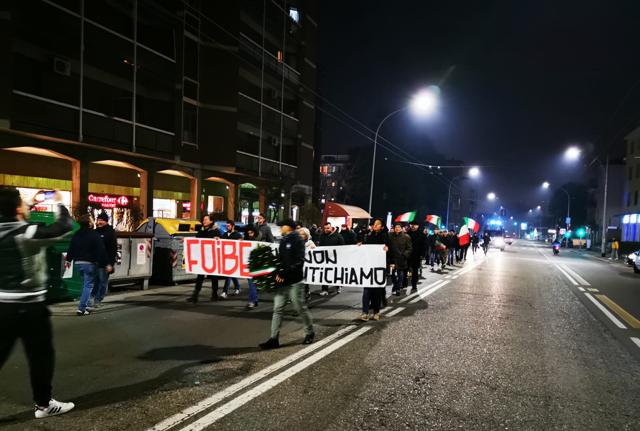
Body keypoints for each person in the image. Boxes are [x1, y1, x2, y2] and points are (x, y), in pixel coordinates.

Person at [0, 188, 76, 418]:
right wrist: (60, 204)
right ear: (16, 209)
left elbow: (18, 220)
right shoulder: (26, 233)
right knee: (41, 356)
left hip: (1, 305)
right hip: (29, 307)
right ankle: (44, 405)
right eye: (22, 203)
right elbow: (63, 228)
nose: (27, 206)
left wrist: (29, 205)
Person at [259, 219, 314, 349]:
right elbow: (281, 260)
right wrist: (277, 272)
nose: (280, 228)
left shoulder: (298, 240)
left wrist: (284, 273)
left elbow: (299, 262)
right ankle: (274, 338)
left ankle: (309, 332)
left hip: (295, 281)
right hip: (283, 281)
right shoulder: (284, 240)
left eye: (282, 226)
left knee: (299, 307)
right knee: (277, 309)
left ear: (288, 227)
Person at [67, 214, 110, 316]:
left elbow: (71, 247)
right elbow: (101, 250)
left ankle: (85, 306)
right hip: (89, 263)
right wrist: (105, 263)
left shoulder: (76, 234)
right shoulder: (94, 234)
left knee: (85, 285)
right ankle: (81, 308)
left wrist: (68, 260)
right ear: (89, 223)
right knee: (88, 285)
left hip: (78, 263)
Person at [187, 214, 221, 303]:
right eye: (203, 219)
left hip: (212, 258)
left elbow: (220, 242)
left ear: (211, 221)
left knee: (214, 277)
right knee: (200, 277)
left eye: (206, 219)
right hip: (202, 257)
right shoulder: (201, 230)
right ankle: (195, 295)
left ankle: (214, 294)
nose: (204, 221)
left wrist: (218, 239)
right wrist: (187, 241)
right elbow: (197, 240)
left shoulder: (215, 231)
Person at [359, 219, 389, 321]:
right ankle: (365, 312)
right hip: (369, 266)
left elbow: (391, 250)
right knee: (366, 291)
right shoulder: (369, 235)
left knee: (376, 292)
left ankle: (376, 312)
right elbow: (366, 247)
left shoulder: (386, 236)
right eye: (374, 224)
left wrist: (387, 251)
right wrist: (361, 245)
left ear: (382, 226)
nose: (374, 225)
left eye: (377, 224)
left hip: (379, 267)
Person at [91, 212, 117, 308]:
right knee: (94, 282)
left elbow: (113, 249)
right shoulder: (95, 231)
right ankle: (91, 298)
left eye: (102, 220)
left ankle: (98, 299)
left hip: (105, 263)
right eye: (99, 220)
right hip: (95, 262)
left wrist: (110, 263)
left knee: (102, 282)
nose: (99, 222)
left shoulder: (110, 232)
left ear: (106, 221)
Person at [318, 222, 345, 295]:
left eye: (328, 228)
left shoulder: (338, 236)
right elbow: (320, 246)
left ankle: (338, 286)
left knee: (336, 273)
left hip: (335, 259)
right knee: (324, 273)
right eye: (325, 228)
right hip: (325, 258)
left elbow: (342, 247)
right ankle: (324, 290)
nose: (326, 230)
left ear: (331, 227)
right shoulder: (322, 236)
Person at [388, 223, 412, 296]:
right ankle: (395, 285)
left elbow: (409, 248)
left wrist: (404, 255)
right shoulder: (390, 235)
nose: (397, 228)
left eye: (399, 227)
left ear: (401, 228)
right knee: (392, 274)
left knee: (400, 275)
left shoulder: (406, 237)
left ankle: (398, 288)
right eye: (396, 227)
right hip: (392, 259)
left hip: (401, 259)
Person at [222, 220, 243, 298]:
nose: (227, 227)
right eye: (226, 226)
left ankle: (224, 292)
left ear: (233, 226)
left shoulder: (238, 235)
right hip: (226, 257)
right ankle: (238, 287)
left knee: (229, 274)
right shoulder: (224, 234)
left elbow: (241, 245)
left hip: (234, 258)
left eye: (229, 226)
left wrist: (241, 241)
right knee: (232, 274)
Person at [244, 224, 260, 309]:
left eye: (252, 233)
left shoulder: (259, 241)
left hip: (256, 265)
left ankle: (252, 301)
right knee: (252, 284)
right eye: (248, 233)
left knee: (252, 284)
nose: (250, 234)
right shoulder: (245, 241)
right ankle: (255, 300)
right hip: (248, 265)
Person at [298, 227, 316, 302]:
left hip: (306, 264)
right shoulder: (296, 242)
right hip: (298, 264)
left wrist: (313, 248)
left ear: (306, 235)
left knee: (305, 280)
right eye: (299, 234)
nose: (300, 235)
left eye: (302, 234)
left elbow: (316, 251)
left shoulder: (310, 242)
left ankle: (306, 293)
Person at [407, 222, 426, 293]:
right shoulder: (407, 233)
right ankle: (404, 284)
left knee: (415, 271)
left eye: (415, 225)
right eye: (412, 225)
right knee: (406, 269)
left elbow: (424, 246)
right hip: (407, 255)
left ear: (418, 226)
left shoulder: (421, 234)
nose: (413, 226)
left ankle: (414, 285)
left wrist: (422, 255)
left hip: (417, 255)